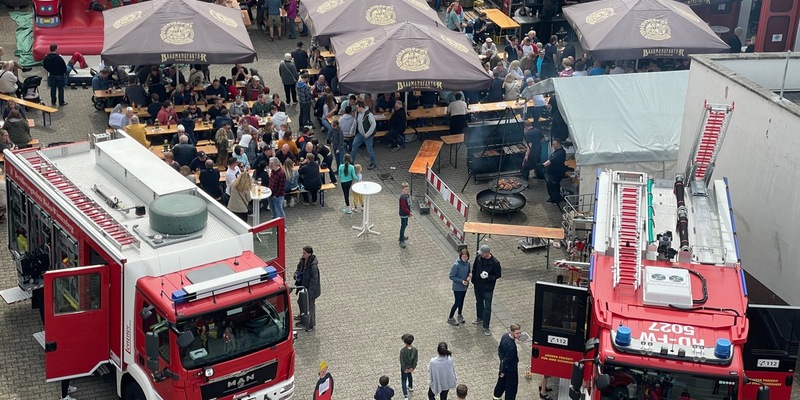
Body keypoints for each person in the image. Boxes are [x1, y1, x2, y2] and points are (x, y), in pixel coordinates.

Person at [472, 244, 501, 336]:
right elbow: (474, 268)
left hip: (488, 289)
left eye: (482, 253)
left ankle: (486, 326)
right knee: (479, 302)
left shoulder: (495, 263)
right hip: (478, 286)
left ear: (487, 253)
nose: (481, 255)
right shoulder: (478, 258)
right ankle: (479, 317)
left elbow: (498, 274)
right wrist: (474, 281)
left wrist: (488, 277)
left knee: (487, 307)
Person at [493, 324, 521, 400]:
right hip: (511, 370)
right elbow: (507, 360)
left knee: (500, 385)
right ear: (512, 332)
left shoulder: (505, 336)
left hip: (503, 367)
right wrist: (503, 370)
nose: (519, 335)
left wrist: (502, 369)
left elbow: (499, 350)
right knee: (511, 389)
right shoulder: (512, 347)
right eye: (517, 333)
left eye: (520, 333)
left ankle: (496, 397)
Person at [295, 245, 320, 331]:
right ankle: (302, 317)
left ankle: (310, 325)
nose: (303, 254)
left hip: (310, 291)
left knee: (309, 306)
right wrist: (296, 275)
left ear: (309, 254)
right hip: (303, 287)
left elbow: (314, 282)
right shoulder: (302, 260)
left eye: (304, 253)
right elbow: (298, 269)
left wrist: (309, 294)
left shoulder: (313, 266)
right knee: (300, 302)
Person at [350, 101, 378, 170]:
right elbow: (355, 122)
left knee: (369, 149)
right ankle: (351, 162)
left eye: (357, 107)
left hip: (367, 135)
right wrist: (352, 130)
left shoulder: (369, 114)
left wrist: (368, 134)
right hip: (360, 134)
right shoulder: (358, 113)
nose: (356, 109)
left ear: (361, 107)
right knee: (354, 145)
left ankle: (373, 163)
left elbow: (373, 124)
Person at [447, 248, 471, 326]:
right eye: (463, 257)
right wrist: (461, 281)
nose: (465, 259)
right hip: (457, 287)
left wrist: (469, 276)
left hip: (465, 286)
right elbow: (451, 276)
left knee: (462, 301)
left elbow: (470, 271)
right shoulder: (456, 265)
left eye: (466, 257)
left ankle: (459, 314)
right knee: (457, 302)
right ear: (460, 256)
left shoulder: (468, 263)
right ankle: (450, 318)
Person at [543, 137, 567, 204]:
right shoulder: (556, 152)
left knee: (553, 186)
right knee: (550, 185)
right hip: (552, 173)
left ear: (559, 144)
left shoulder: (560, 153)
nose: (553, 146)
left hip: (556, 173)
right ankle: (553, 198)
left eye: (555, 144)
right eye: (553, 144)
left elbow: (551, 161)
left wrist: (543, 165)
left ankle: (556, 199)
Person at [399, 334, 418, 400]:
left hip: (405, 368)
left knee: (403, 380)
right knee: (410, 376)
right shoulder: (415, 350)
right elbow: (415, 360)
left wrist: (404, 369)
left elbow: (402, 361)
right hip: (411, 367)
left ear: (405, 342)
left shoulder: (403, 351)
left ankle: (405, 395)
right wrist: (413, 368)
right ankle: (410, 387)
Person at [398, 182, 411, 248]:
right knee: (403, 226)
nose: (407, 191)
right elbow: (404, 207)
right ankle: (401, 240)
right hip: (403, 214)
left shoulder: (407, 196)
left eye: (408, 189)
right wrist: (409, 213)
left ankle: (402, 236)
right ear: (402, 190)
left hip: (406, 213)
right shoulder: (402, 197)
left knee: (405, 224)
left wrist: (409, 211)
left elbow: (408, 204)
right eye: (406, 189)